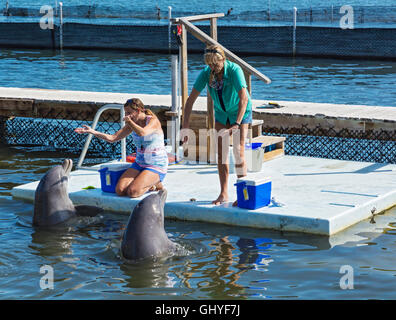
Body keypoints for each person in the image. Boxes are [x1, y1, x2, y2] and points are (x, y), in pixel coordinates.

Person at [182, 44, 252, 206]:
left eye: (216, 64)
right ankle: (223, 193)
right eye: (210, 64)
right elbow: (190, 100)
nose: (213, 67)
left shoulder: (234, 70)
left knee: (238, 150)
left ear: (223, 59)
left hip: (240, 111)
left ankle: (242, 194)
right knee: (221, 153)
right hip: (221, 113)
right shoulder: (206, 73)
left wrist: (237, 123)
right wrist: (185, 127)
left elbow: (244, 98)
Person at [75, 98, 168, 198]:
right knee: (120, 190)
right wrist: (92, 131)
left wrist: (130, 122)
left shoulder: (153, 121)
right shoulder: (131, 123)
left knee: (133, 192)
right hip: (139, 163)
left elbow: (142, 133)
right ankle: (149, 182)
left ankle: (155, 183)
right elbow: (113, 138)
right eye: (125, 113)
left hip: (156, 164)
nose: (126, 116)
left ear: (138, 111)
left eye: (129, 113)